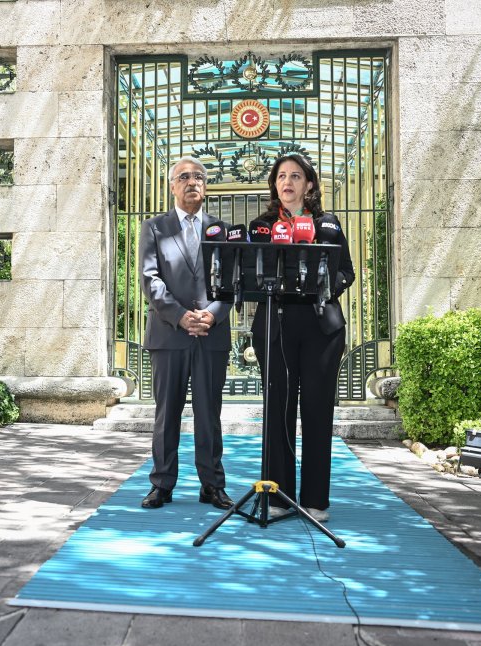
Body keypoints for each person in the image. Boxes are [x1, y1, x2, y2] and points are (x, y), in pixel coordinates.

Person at [251, 153, 354, 522]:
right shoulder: (262, 226)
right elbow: (250, 273)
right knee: (278, 410)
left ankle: (315, 500)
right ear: (275, 185)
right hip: (275, 325)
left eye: (296, 176)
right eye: (281, 176)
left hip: (321, 327)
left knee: (316, 410)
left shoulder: (328, 225)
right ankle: (279, 497)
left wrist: (325, 286)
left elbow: (346, 271)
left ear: (309, 184)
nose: (288, 182)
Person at [137, 156, 233, 510]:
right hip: (168, 335)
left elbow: (232, 282)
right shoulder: (154, 228)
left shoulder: (222, 230)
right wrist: (180, 317)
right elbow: (150, 279)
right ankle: (162, 485)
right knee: (167, 414)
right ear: (172, 186)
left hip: (211, 335)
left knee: (209, 415)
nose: (192, 182)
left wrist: (212, 314)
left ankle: (212, 485)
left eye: (199, 177)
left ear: (205, 186)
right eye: (184, 177)